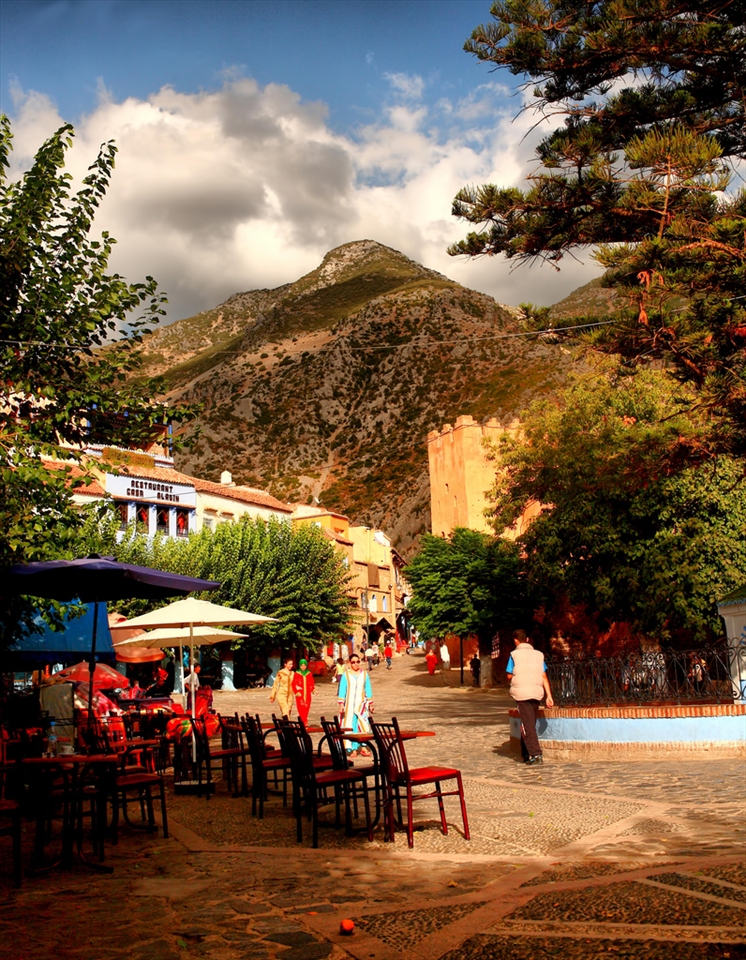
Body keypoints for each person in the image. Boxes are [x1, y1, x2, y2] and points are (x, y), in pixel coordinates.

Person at [506, 630, 554, 765]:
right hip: (536, 692)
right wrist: (549, 696)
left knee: (527, 725)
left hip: (522, 693)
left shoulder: (514, 655)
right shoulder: (538, 655)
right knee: (530, 722)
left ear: (516, 641)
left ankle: (536, 753)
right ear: (527, 639)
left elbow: (509, 675)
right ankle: (525, 753)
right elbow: (544, 676)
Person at [337, 653, 373, 757]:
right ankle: (352, 748)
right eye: (353, 662)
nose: (356, 664)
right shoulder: (346, 675)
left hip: (361, 705)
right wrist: (341, 704)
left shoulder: (365, 674)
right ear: (349, 663)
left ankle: (363, 746)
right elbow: (342, 690)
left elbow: (368, 689)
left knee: (363, 725)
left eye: (358, 662)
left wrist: (370, 704)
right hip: (349, 706)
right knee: (350, 726)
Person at [292, 658, 315, 724]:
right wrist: (296, 691)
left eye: (304, 666)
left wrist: (313, 689)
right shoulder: (296, 674)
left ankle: (304, 721)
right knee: (301, 707)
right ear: (299, 666)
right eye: (302, 666)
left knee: (306, 707)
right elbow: (294, 684)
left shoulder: (309, 673)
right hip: (300, 694)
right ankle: (303, 722)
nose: (303, 667)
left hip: (307, 694)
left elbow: (311, 683)